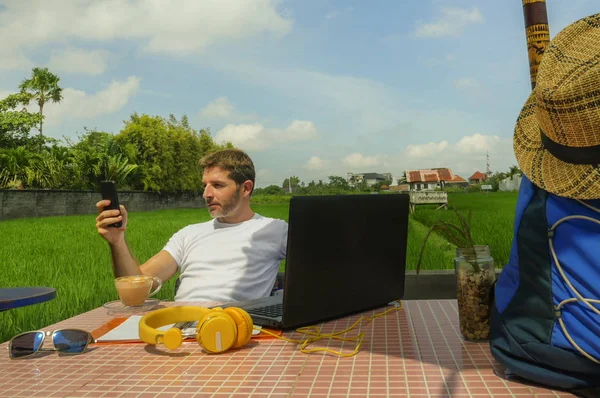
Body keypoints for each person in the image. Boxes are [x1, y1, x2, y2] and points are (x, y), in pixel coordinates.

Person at [95, 148, 288, 302]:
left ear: (245, 188)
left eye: (217, 185)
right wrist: (117, 241)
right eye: (205, 185)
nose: (206, 194)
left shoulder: (275, 230)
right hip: (180, 329)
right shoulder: (189, 234)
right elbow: (135, 289)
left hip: (236, 329)